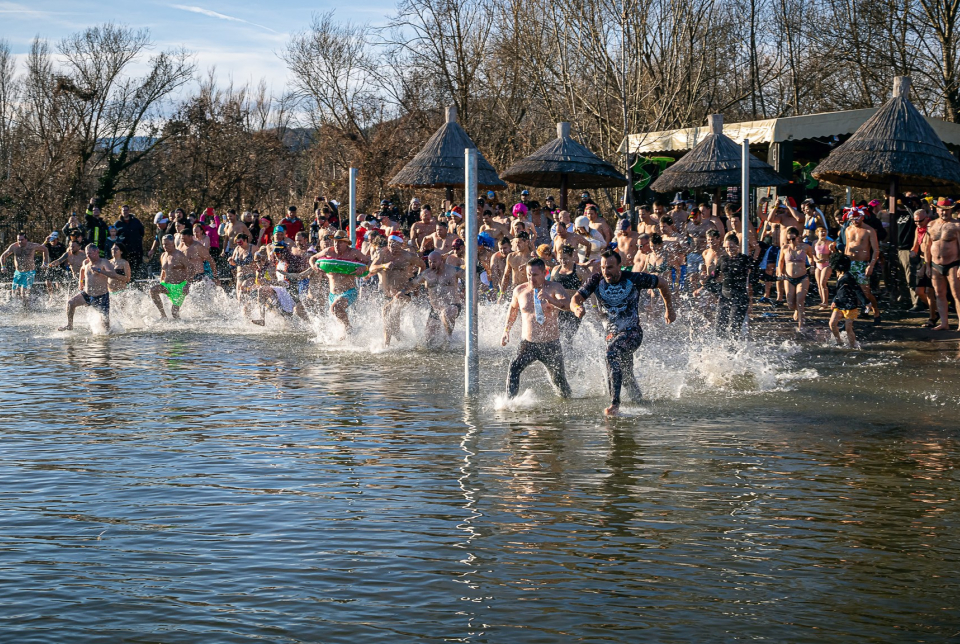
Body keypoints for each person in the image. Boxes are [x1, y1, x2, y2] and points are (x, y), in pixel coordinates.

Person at [571, 250, 675, 416]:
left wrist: (669, 309)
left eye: (610, 267)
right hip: (611, 334)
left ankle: (614, 404)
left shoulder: (633, 278)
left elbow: (662, 283)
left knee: (611, 353)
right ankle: (640, 401)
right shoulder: (596, 280)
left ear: (620, 266)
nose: (606, 271)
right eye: (604, 267)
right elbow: (575, 298)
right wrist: (577, 308)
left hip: (632, 332)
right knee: (625, 375)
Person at [501, 257, 573, 399]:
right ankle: (510, 402)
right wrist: (506, 331)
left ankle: (568, 402)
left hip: (550, 344)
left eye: (535, 275)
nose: (531, 278)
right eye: (529, 274)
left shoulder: (554, 287)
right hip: (528, 344)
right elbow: (513, 310)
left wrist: (550, 299)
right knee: (513, 368)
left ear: (544, 273)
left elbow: (567, 304)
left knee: (559, 381)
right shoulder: (520, 290)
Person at [368, 233, 425, 346]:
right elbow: (371, 268)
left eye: (394, 245)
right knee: (393, 324)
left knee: (387, 310)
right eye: (389, 244)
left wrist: (416, 284)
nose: (391, 247)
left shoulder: (408, 256)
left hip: (403, 292)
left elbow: (423, 266)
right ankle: (405, 342)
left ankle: (386, 344)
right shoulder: (383, 254)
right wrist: (384, 266)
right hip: (388, 293)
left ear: (401, 244)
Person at [312, 230, 369, 334]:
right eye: (335, 242)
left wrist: (363, 269)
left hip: (349, 292)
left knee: (335, 308)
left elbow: (368, 262)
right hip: (332, 294)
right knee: (337, 314)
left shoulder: (353, 253)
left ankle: (349, 330)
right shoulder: (329, 251)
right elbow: (313, 258)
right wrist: (314, 266)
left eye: (340, 242)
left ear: (346, 243)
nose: (336, 244)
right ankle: (349, 335)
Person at [58, 244, 122, 331]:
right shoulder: (86, 262)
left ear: (97, 251)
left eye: (90, 253)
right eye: (87, 253)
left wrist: (100, 271)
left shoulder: (104, 262)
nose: (88, 255)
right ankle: (69, 325)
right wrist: (80, 282)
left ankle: (110, 335)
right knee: (71, 303)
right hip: (87, 294)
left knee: (105, 326)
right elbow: (82, 269)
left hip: (101, 296)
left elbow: (113, 274)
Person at [410, 250, 464, 342]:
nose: (432, 264)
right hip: (436, 309)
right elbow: (412, 284)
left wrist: (467, 290)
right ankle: (446, 339)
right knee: (428, 340)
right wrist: (401, 292)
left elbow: (471, 277)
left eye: (434, 262)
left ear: (441, 261)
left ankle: (449, 339)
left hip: (453, 306)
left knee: (446, 314)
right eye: (430, 262)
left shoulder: (453, 270)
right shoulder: (426, 274)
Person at [924, 197, 960, 331]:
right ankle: (944, 323)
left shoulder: (957, 225)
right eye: (942, 210)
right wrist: (927, 265)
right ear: (937, 210)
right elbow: (927, 246)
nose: (944, 213)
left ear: (951, 210)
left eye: (947, 210)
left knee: (957, 294)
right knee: (939, 294)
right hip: (935, 265)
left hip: (953, 263)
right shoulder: (931, 225)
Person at [844, 207, 882, 323]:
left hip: (862, 263)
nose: (854, 221)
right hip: (849, 262)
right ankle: (851, 315)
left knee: (865, 291)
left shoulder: (869, 230)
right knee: (848, 290)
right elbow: (847, 246)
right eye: (851, 219)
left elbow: (876, 250)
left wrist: (871, 265)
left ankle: (876, 311)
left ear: (861, 217)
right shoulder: (848, 229)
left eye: (856, 219)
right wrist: (843, 264)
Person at [829, 254, 875, 348]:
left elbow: (857, 289)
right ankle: (839, 342)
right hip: (839, 304)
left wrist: (866, 302)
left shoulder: (848, 277)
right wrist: (834, 300)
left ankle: (852, 345)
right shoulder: (840, 275)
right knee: (832, 323)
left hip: (850, 306)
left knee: (848, 327)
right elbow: (839, 291)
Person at [714, 234, 753, 339]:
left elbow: (757, 275)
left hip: (740, 297)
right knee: (719, 328)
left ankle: (735, 352)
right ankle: (721, 351)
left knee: (733, 328)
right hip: (725, 296)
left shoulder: (745, 259)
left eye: (731, 247)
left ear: (737, 246)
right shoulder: (723, 259)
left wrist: (777, 278)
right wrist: (703, 286)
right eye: (726, 247)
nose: (729, 249)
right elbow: (713, 276)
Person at [778, 226, 816, 331]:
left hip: (802, 277)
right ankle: (797, 310)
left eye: (793, 239)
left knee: (800, 300)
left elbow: (811, 257)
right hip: (789, 278)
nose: (791, 241)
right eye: (788, 239)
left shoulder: (805, 247)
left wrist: (812, 267)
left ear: (798, 237)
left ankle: (801, 326)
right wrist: (780, 272)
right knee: (790, 304)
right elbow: (781, 262)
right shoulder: (785, 248)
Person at [550, 245, 590, 345]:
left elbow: (589, 289)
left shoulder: (579, 270)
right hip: (558, 307)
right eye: (561, 259)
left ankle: (571, 356)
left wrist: (594, 306)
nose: (563, 261)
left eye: (565, 259)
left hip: (574, 307)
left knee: (569, 337)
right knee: (558, 335)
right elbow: (549, 288)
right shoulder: (555, 270)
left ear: (572, 256)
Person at [150, 234, 193, 320]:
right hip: (167, 286)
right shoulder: (163, 255)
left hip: (179, 287)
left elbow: (191, 269)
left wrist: (187, 285)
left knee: (174, 313)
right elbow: (164, 270)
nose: (165, 246)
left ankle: (182, 328)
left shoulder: (179, 255)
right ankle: (163, 315)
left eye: (167, 244)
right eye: (163, 244)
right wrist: (161, 281)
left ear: (173, 243)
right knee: (153, 290)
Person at [0, 232, 50, 304]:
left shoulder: (32, 246)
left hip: (29, 272)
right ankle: (25, 306)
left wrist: (45, 263)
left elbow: (45, 249)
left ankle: (26, 310)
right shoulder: (14, 247)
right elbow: (2, 256)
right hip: (18, 273)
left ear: (26, 239)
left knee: (23, 293)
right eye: (18, 240)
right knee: (15, 293)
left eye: (22, 240)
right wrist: (3, 266)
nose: (20, 241)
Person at [115, 204, 145, 277]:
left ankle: (136, 284)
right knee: (126, 268)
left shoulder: (136, 221)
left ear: (129, 211)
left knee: (137, 268)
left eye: (126, 210)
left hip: (137, 249)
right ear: (121, 212)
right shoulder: (118, 223)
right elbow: (115, 236)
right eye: (123, 210)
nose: (125, 212)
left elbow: (142, 232)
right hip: (125, 250)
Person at [813, 227, 835, 310]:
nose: (823, 233)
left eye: (824, 231)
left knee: (823, 283)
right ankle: (823, 302)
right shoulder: (814, 242)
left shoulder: (829, 242)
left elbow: (833, 254)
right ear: (817, 233)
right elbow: (813, 254)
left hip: (827, 264)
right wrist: (816, 260)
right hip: (818, 264)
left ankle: (826, 302)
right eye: (821, 231)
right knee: (819, 284)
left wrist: (832, 250)